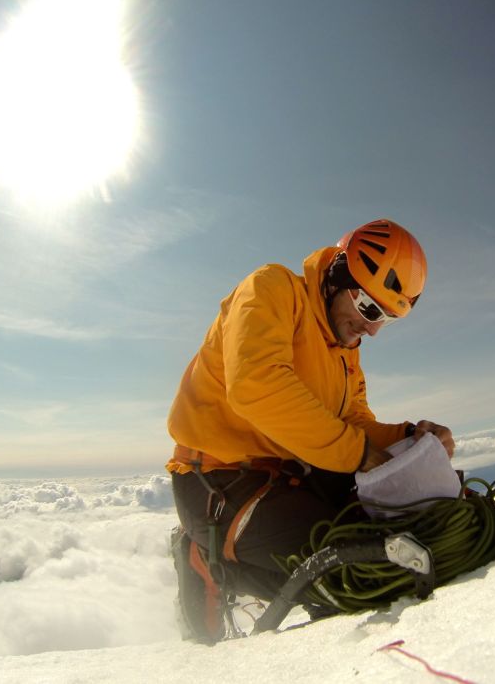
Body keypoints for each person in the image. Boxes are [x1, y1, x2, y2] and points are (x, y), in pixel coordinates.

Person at [165, 218, 454, 642]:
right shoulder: (272, 290)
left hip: (293, 472)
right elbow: (255, 384)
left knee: (393, 535)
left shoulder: (345, 352)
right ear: (338, 277)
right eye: (370, 310)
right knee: (351, 574)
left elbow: (355, 422)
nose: (372, 329)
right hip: (218, 480)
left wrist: (410, 437)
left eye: (386, 320)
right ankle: (206, 559)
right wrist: (357, 453)